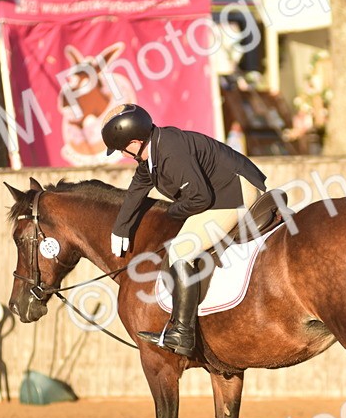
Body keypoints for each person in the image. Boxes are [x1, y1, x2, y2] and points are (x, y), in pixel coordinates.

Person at [103, 104, 268, 356]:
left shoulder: (170, 152)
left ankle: (183, 332)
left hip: (235, 193)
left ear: (135, 142)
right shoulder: (154, 152)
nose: (122, 153)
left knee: (181, 251)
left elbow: (199, 198)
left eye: (122, 148)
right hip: (220, 192)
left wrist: (170, 214)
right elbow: (137, 188)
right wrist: (120, 228)